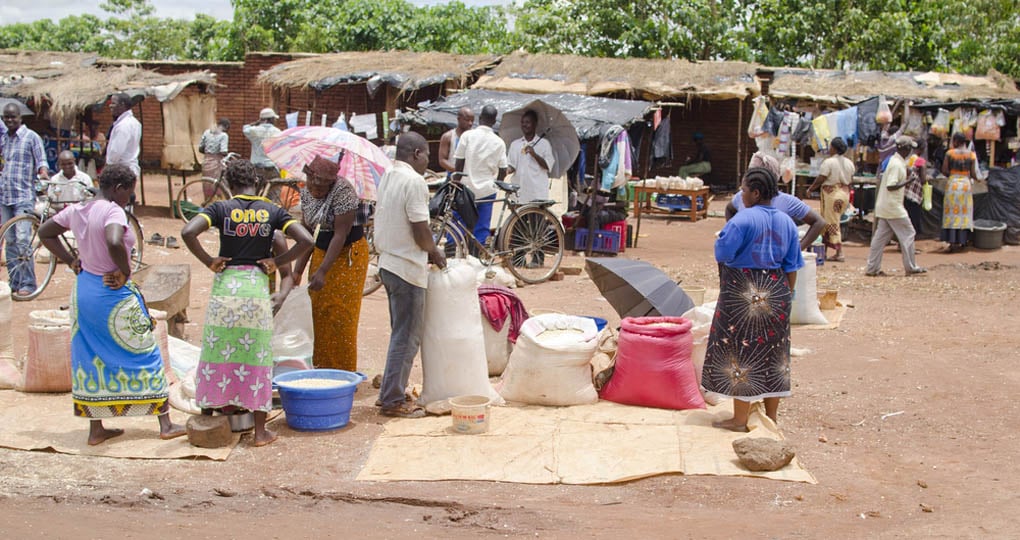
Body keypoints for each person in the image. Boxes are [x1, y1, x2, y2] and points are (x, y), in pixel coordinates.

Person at [38, 164, 185, 446]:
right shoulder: (114, 211)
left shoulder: (79, 209)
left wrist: (71, 260)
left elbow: (46, 232)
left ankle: (96, 429)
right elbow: (114, 239)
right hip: (112, 292)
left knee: (91, 355)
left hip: (84, 290)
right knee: (147, 353)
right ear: (118, 189)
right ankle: (165, 423)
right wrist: (125, 270)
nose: (131, 197)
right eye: (130, 191)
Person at [181, 159, 313, 447]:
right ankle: (260, 432)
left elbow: (188, 232)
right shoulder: (272, 211)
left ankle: (208, 414)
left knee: (217, 353)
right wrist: (275, 262)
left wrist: (209, 261)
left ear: (228, 183)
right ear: (256, 181)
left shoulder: (220, 209)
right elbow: (306, 240)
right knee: (256, 359)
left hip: (226, 289)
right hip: (254, 291)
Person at [703, 167, 804, 432]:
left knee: (742, 351)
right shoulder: (787, 222)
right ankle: (771, 418)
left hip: (743, 292)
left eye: (744, 190)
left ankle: (739, 419)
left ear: (756, 192)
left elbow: (722, 251)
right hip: (778, 291)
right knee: (775, 354)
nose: (741, 194)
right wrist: (787, 297)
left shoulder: (743, 219)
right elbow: (793, 266)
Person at [375, 132, 446, 418]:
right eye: (426, 155)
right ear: (416, 153)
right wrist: (435, 251)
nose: (428, 161)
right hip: (406, 268)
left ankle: (390, 391)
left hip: (388, 264)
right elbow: (420, 229)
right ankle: (392, 399)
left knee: (399, 334)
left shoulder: (389, 175)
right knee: (407, 337)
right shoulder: (414, 181)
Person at [291, 154, 371, 372]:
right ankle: (321, 368)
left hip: (348, 256)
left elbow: (340, 234)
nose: (316, 187)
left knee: (341, 314)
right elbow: (307, 231)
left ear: (331, 182)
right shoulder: (306, 193)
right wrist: (297, 270)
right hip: (321, 249)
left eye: (321, 184)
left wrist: (323, 271)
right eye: (312, 181)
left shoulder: (344, 191)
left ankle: (342, 372)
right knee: (318, 309)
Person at [727, 153, 825, 251]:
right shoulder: (741, 196)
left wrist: (798, 248)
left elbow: (819, 222)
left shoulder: (786, 202)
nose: (750, 178)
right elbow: (729, 209)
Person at [1, 103, 49, 297]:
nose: (10, 121)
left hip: (23, 196)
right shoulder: (3, 138)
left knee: (22, 240)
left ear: (20, 118)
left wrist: (43, 173)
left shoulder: (31, 138)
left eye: (13, 117)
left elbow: (42, 161)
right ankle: (15, 282)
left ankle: (28, 284)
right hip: (4, 196)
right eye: (6, 118)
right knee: (10, 240)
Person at [865, 136, 927, 276]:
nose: (911, 151)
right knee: (909, 233)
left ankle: (872, 268)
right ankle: (911, 267)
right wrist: (908, 181)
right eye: (910, 148)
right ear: (905, 149)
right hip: (893, 207)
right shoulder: (897, 165)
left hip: (886, 206)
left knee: (879, 239)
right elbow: (891, 185)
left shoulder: (895, 161)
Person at [454, 105, 507, 245]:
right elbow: (503, 170)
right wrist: (497, 184)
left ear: (479, 118)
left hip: (466, 189)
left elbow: (459, 164)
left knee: (458, 224)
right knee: (482, 228)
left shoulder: (467, 136)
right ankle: (477, 259)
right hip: (487, 190)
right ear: (495, 122)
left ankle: (452, 254)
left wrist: (455, 183)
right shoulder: (499, 142)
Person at [807, 137, 855, 261]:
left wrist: (811, 188)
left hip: (832, 195)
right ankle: (825, 251)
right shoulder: (849, 163)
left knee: (832, 222)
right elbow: (851, 180)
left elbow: (821, 178)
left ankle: (839, 253)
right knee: (827, 221)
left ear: (833, 148)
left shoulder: (829, 162)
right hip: (844, 194)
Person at [507, 109, 556, 203]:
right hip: (518, 193)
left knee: (536, 218)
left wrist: (534, 155)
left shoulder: (544, 144)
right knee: (518, 218)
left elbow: (548, 166)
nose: (524, 125)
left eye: (527, 122)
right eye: (522, 122)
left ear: (535, 124)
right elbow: (512, 166)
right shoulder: (515, 144)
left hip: (537, 194)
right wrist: (505, 170)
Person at [940, 132, 978, 253]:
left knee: (951, 213)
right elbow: (973, 174)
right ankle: (962, 240)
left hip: (953, 184)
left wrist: (953, 175)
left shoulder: (949, 153)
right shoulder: (971, 155)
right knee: (964, 214)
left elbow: (944, 170)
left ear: (956, 141)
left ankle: (952, 242)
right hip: (965, 186)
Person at [106, 93, 142, 180]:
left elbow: (116, 152)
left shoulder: (122, 126)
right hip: (130, 169)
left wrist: (108, 166)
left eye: (113, 103)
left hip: (120, 171)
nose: (110, 106)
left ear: (122, 105)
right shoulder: (135, 122)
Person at [243, 108, 282, 184]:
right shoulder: (277, 132)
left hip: (256, 168)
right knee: (273, 192)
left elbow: (245, 128)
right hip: (271, 167)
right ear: (271, 119)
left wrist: (257, 122)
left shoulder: (253, 130)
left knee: (256, 191)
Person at [199, 118, 231, 197]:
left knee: (206, 182)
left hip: (206, 160)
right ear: (226, 126)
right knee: (217, 182)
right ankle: (216, 200)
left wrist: (209, 152)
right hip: (216, 162)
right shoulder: (223, 136)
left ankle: (207, 200)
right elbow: (223, 151)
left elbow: (200, 148)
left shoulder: (207, 132)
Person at [438, 107, 474, 177]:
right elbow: (442, 160)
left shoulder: (474, 137)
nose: (470, 123)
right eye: (467, 120)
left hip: (471, 178)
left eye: (472, 120)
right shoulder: (448, 136)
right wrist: (458, 171)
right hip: (453, 177)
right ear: (458, 119)